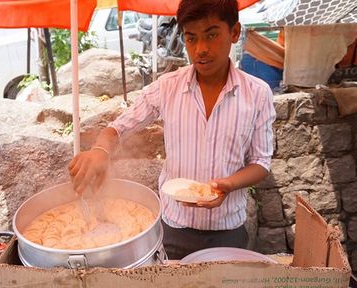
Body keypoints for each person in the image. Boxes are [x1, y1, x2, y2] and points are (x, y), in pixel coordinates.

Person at [68, 0, 276, 260]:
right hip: (173, 227)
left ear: (234, 32)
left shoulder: (258, 94)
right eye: (191, 38)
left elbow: (260, 163)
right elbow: (118, 127)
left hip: (228, 228)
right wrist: (100, 150)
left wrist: (228, 185)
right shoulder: (167, 87)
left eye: (212, 35)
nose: (201, 49)